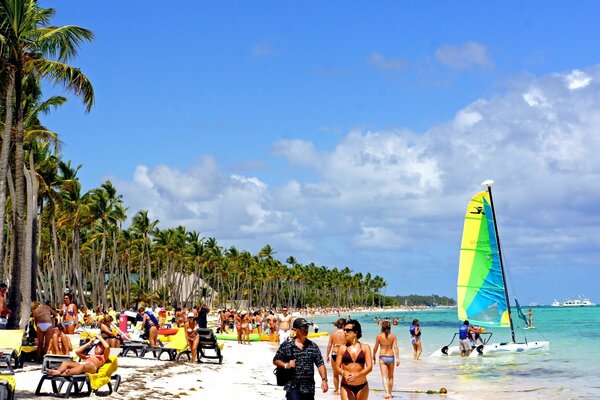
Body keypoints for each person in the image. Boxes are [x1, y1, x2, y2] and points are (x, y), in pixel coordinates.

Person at [273, 318, 328, 400]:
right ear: (295, 330)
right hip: (293, 387)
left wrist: (324, 380)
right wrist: (286, 365)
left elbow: (320, 364)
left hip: (309, 388)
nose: (306, 330)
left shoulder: (313, 346)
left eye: (307, 328)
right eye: (303, 328)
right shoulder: (287, 345)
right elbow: (276, 360)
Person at [335, 319, 372, 400]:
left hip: (362, 386)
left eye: (348, 330)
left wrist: (358, 375)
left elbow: (369, 367)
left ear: (355, 333)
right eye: (344, 330)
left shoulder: (365, 348)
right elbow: (337, 367)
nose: (345, 332)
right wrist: (343, 372)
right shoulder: (342, 348)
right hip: (346, 386)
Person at [373, 320, 399, 399]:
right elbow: (396, 348)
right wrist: (398, 358)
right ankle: (390, 393)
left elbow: (375, 348)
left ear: (382, 327)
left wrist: (373, 355)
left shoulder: (379, 336)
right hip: (391, 357)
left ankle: (387, 393)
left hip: (383, 357)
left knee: (384, 376)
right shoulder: (393, 336)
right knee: (391, 377)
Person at [326, 318, 346, 395]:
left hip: (334, 353)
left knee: (335, 374)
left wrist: (327, 355)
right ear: (344, 325)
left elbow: (329, 345)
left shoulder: (333, 333)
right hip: (343, 354)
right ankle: (344, 390)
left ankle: (337, 390)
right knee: (344, 373)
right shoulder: (346, 333)